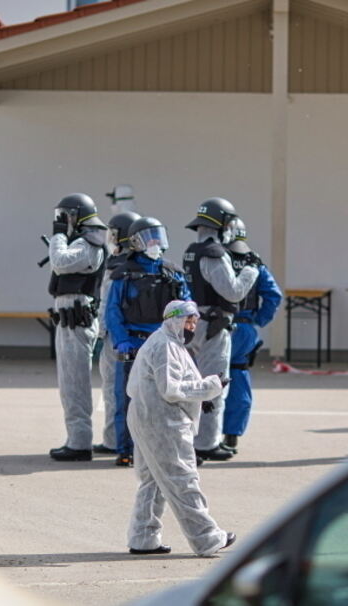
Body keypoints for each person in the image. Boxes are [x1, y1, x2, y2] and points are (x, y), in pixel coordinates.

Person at [125, 299, 236, 557]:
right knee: (183, 479)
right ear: (173, 319)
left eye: (195, 321)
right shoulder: (165, 346)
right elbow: (171, 389)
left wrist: (199, 399)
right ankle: (207, 538)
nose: (192, 326)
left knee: (152, 482)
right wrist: (210, 387)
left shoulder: (168, 342)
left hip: (148, 418)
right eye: (188, 320)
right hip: (163, 423)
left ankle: (144, 537)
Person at [105, 216, 190, 467]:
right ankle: (126, 450)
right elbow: (113, 312)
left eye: (158, 236)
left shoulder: (173, 273)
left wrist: (182, 337)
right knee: (128, 399)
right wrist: (122, 342)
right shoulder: (124, 275)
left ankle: (164, 449)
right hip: (134, 343)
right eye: (148, 237)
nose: (154, 242)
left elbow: (186, 306)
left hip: (165, 343)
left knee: (169, 398)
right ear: (135, 242)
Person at [182, 198, 258, 462]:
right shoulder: (215, 254)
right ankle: (206, 443)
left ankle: (194, 437)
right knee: (215, 383)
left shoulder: (191, 251)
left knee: (194, 384)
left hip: (195, 323)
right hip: (214, 325)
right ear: (223, 223)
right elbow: (232, 291)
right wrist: (251, 270)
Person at [47, 194, 107, 463]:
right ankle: (77, 439)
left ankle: (80, 443)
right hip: (70, 318)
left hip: (77, 319)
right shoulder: (82, 241)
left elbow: (60, 263)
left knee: (75, 383)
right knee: (69, 382)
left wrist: (58, 236)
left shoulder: (89, 243)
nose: (62, 220)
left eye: (65, 215)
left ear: (76, 216)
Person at [222, 219, 282, 454]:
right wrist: (257, 320)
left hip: (217, 326)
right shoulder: (254, 263)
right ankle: (232, 436)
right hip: (245, 329)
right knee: (239, 377)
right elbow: (273, 296)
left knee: (210, 379)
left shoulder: (216, 258)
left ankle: (207, 438)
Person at [93, 210, 140, 456]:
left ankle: (114, 440)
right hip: (138, 336)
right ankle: (135, 439)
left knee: (113, 389)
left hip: (116, 338)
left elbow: (106, 305)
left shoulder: (115, 269)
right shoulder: (143, 265)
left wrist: (99, 334)